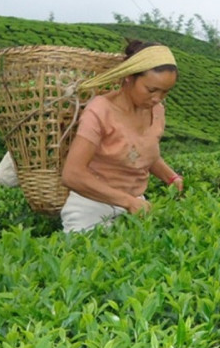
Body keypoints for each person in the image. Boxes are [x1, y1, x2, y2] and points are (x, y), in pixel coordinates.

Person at [59, 40, 183, 233]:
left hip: (135, 205)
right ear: (128, 78)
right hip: (92, 207)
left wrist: (171, 178)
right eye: (151, 90)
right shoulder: (100, 111)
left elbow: (143, 154)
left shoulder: (157, 110)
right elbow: (72, 174)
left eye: (165, 92)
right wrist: (126, 201)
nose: (158, 98)